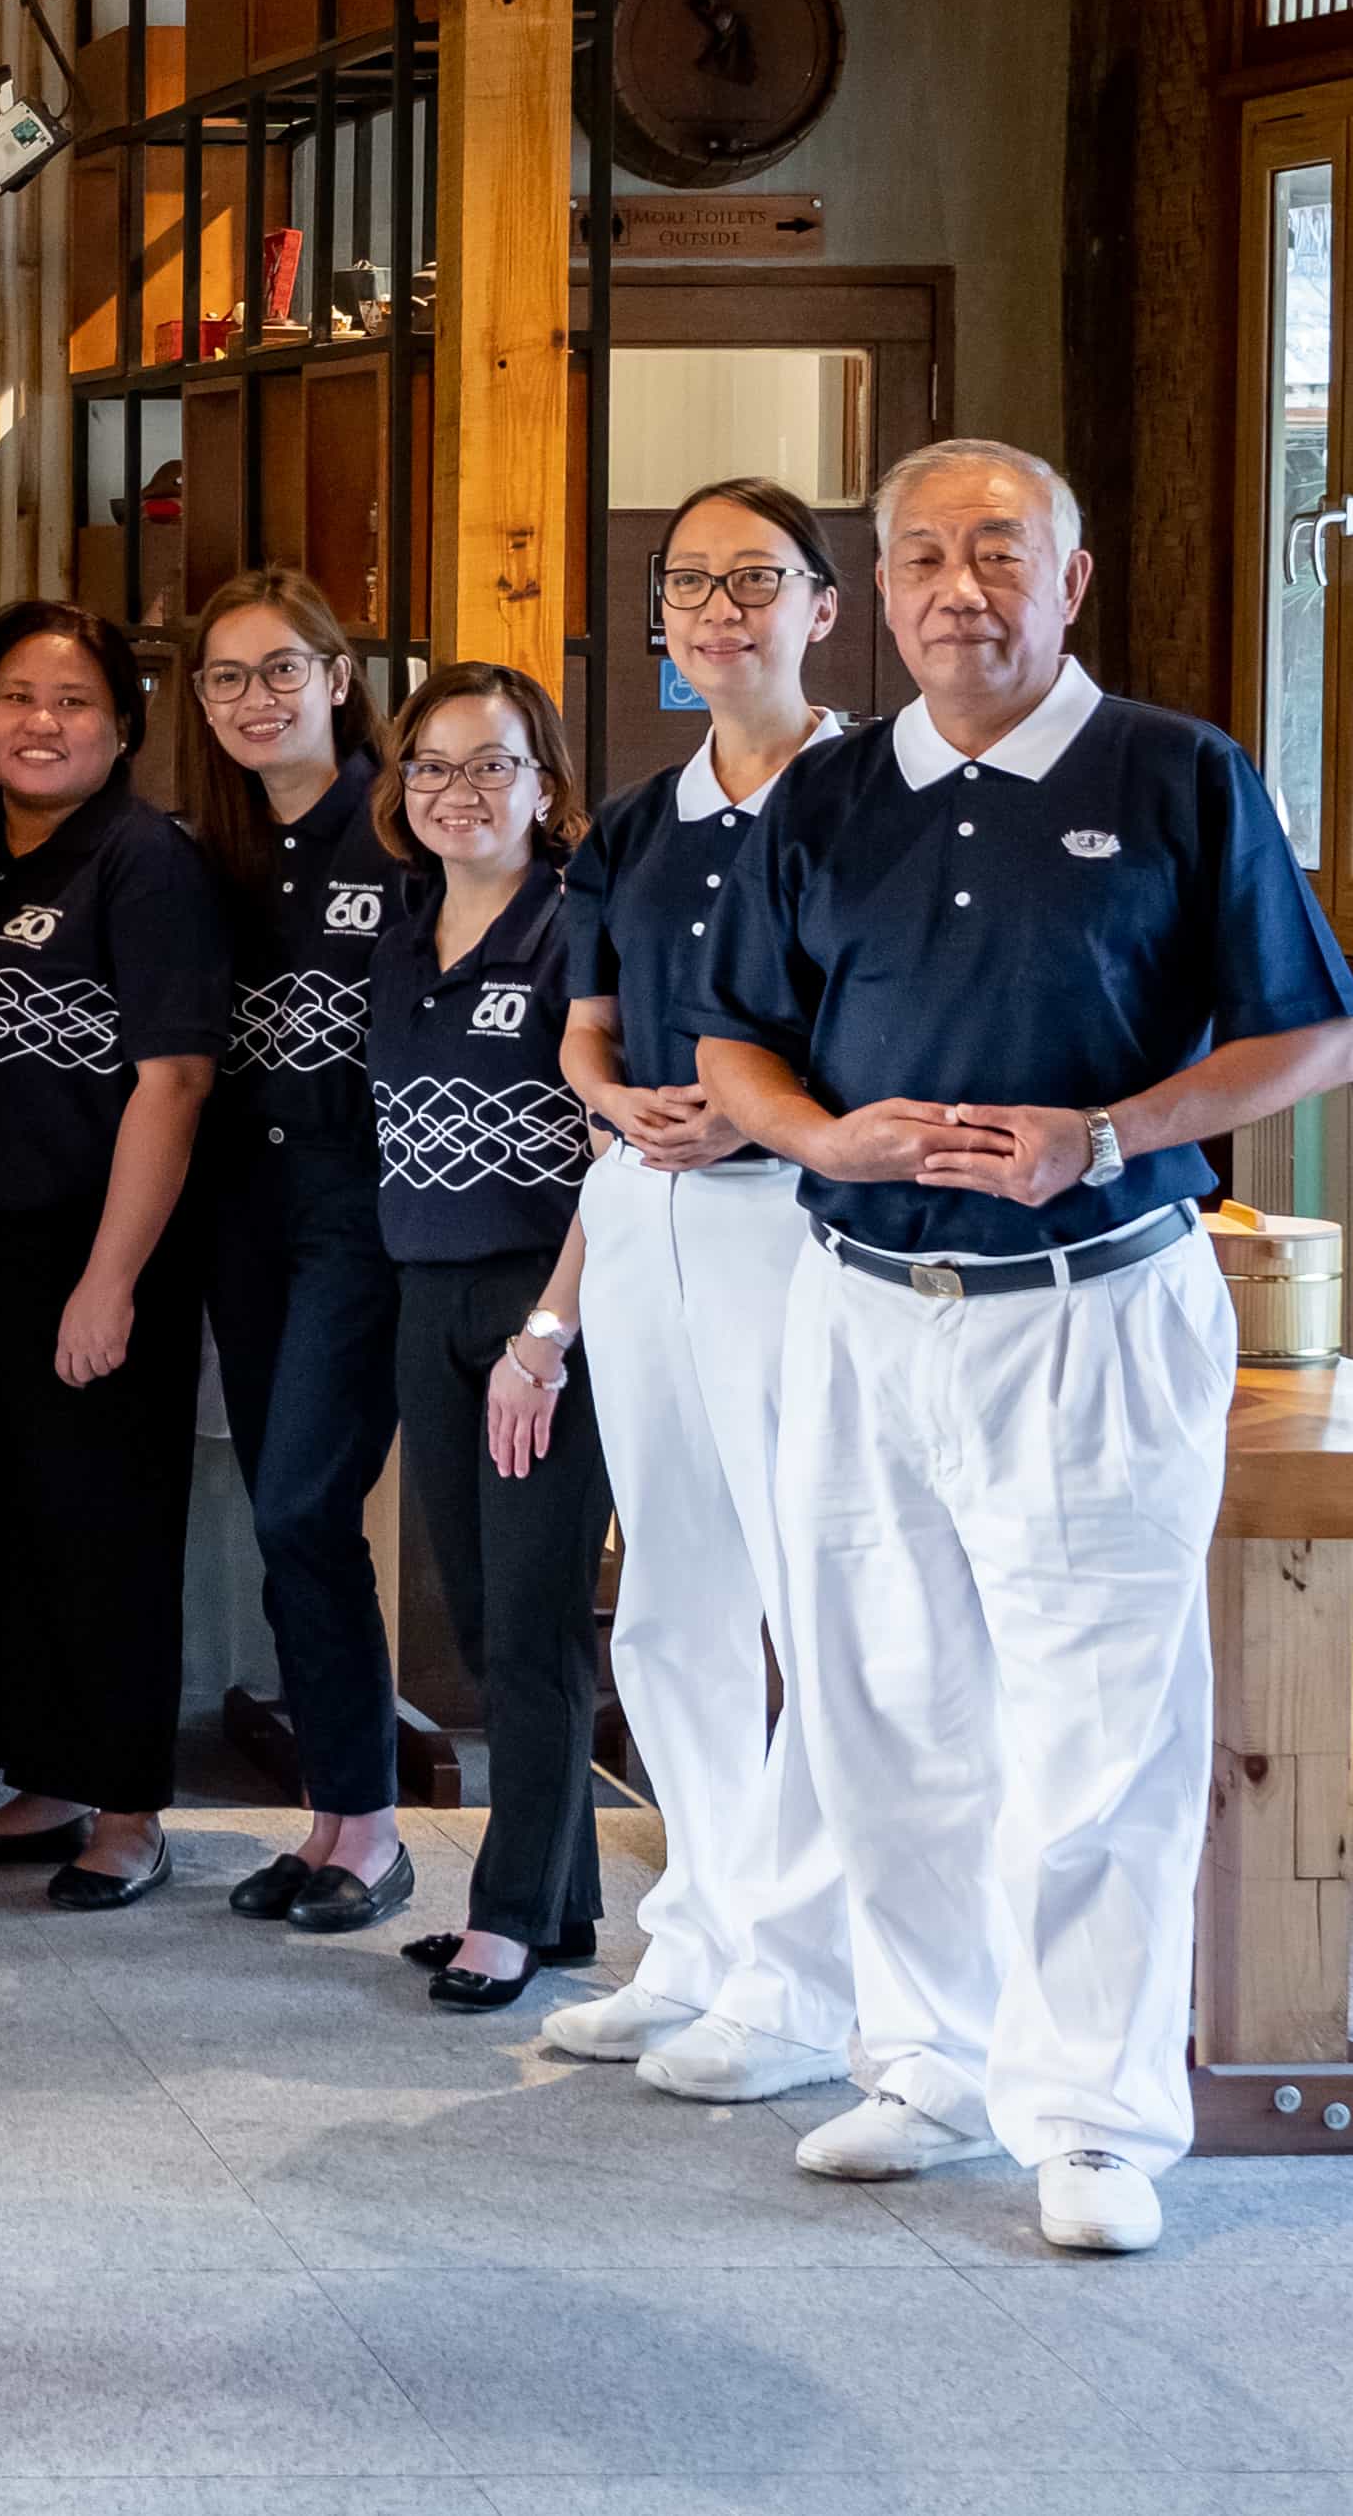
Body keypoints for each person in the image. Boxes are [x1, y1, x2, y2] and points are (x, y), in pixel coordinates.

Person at [699, 438, 1353, 2257]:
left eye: (1001, 551)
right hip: (858, 1313)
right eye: (922, 556)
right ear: (879, 592)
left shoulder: (1175, 773)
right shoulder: (828, 800)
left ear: (1072, 582)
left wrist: (1116, 1127)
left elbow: (1309, 1034)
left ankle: (1091, 2115)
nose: (958, 587)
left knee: (1097, 1727)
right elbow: (741, 1037)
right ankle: (922, 2058)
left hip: (1092, 1308)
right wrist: (817, 1137)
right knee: (883, 1709)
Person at [545, 477, 861, 2097]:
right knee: (670, 1591)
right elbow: (581, 1026)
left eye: (758, 579)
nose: (720, 609)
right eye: (691, 582)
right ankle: (702, 1938)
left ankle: (808, 1979)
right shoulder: (635, 819)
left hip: (793, 1219)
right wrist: (616, 1102)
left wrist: (748, 1106)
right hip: (645, 1206)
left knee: (811, 1599)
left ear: (823, 602)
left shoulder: (868, 793)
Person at [0, 600, 224, 1910]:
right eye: (19, 696)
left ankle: (130, 1804)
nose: (43, 722)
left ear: (124, 723)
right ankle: (43, 1776)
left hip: (98, 1251)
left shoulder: (145, 861)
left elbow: (178, 1079)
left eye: (74, 699)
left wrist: (110, 1278)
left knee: (108, 1526)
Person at [361, 663, 607, 2010]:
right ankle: (561, 1906)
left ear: (545, 785)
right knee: (475, 1613)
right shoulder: (402, 935)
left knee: (531, 1624)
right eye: (433, 766)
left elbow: (612, 1155)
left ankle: (505, 1913)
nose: (459, 790)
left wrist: (550, 1331)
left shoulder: (575, 935)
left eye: (491, 763)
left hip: (540, 1309)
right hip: (423, 1294)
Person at [182, 569, 414, 1935]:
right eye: (226, 677)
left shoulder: (404, 823)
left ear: (338, 674)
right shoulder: (209, 850)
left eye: (282, 669)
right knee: (286, 1510)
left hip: (371, 1210)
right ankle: (334, 1815)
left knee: (301, 1505)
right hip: (245, 1212)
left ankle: (373, 1823)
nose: (255, 698)